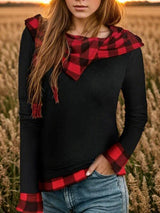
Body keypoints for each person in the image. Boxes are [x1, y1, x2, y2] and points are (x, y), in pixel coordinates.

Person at [16, 0, 148, 213]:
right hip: (48, 193)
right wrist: (28, 193)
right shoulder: (38, 36)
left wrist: (112, 161)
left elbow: (138, 115)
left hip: (102, 191)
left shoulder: (124, 45)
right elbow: (29, 118)